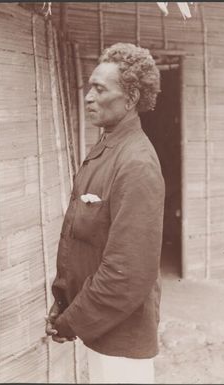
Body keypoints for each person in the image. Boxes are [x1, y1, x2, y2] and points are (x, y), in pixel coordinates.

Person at [45, 42, 165, 384]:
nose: (88, 97)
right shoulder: (106, 148)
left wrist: (71, 321)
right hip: (99, 327)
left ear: (130, 98)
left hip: (122, 341)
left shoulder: (136, 164)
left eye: (100, 89)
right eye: (89, 87)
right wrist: (64, 300)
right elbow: (81, 242)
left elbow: (126, 274)